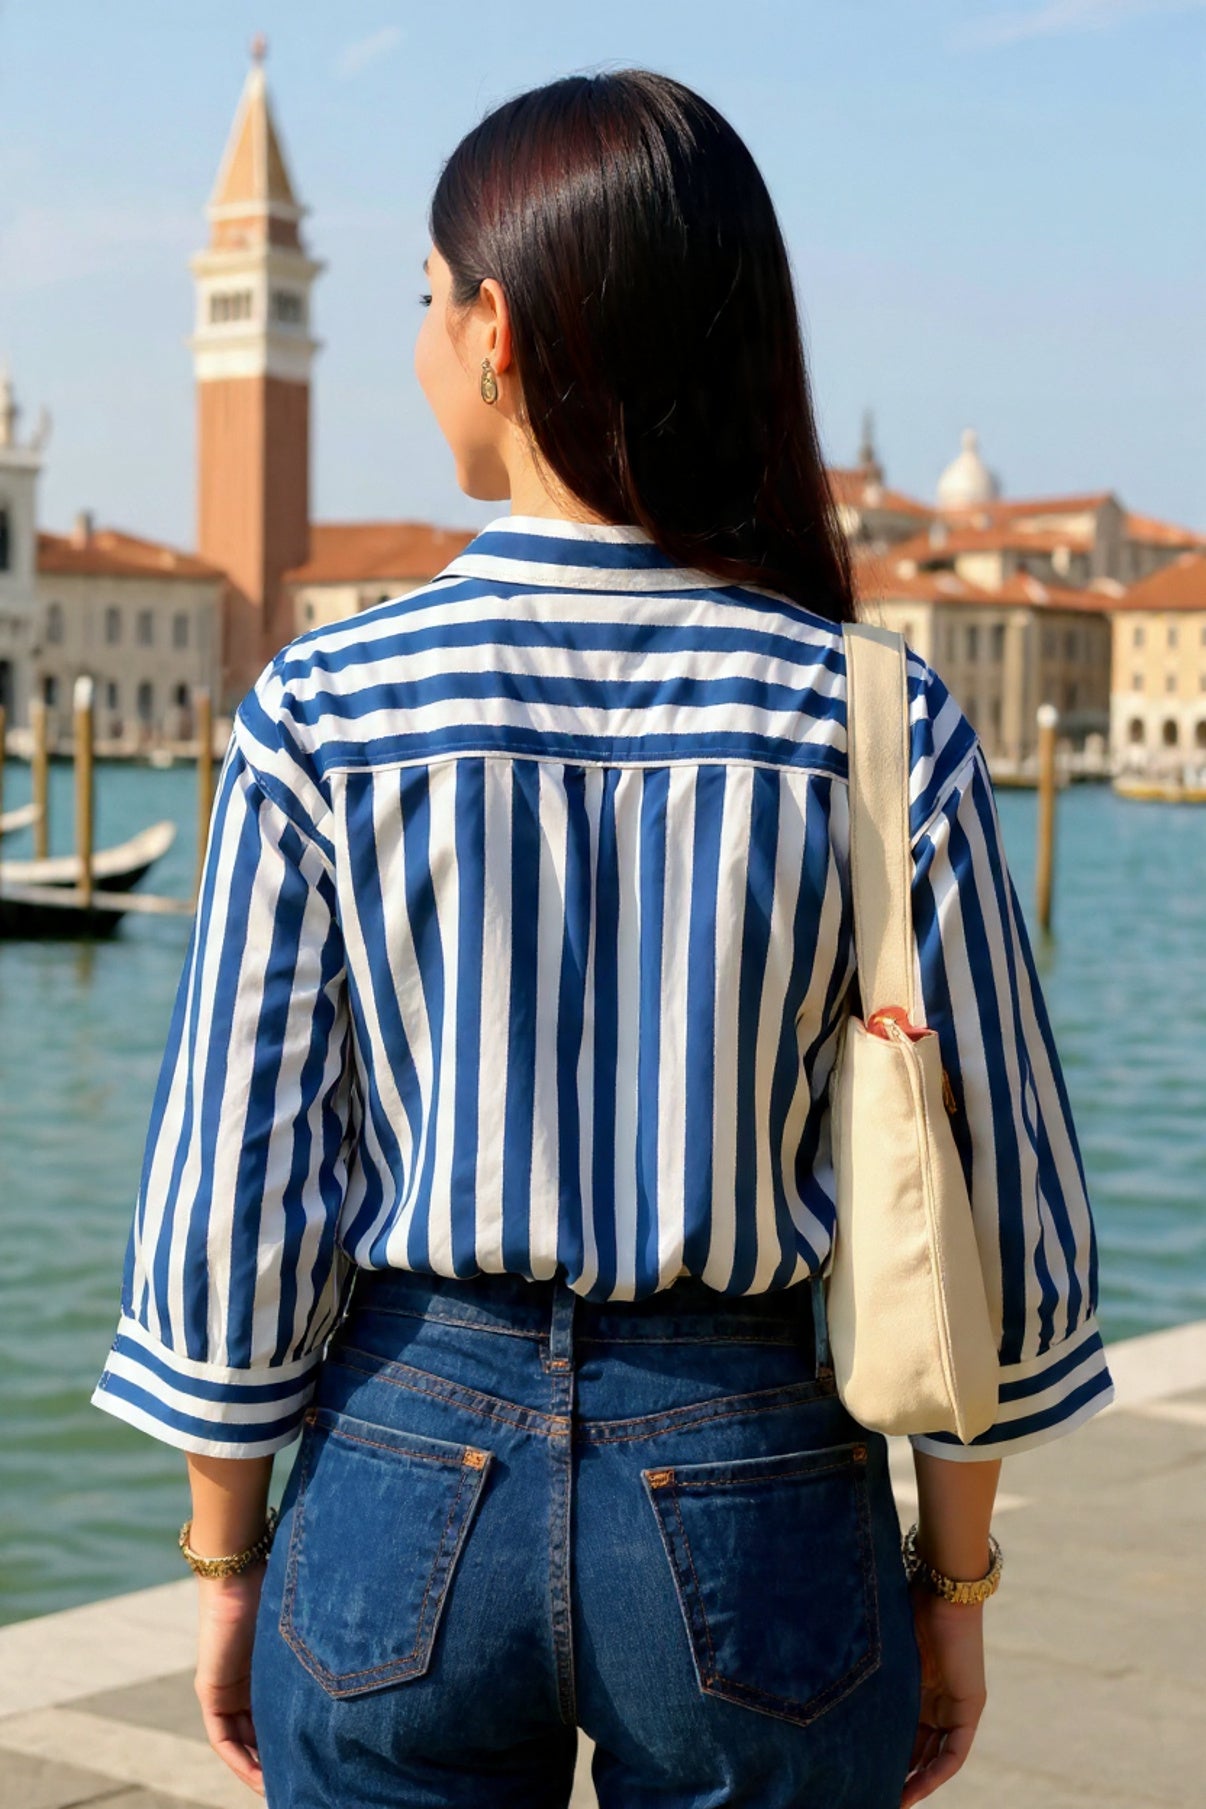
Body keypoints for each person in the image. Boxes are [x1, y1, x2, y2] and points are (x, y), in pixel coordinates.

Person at [90, 67, 1115, 1809]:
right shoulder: (880, 718)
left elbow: (236, 1194)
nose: (416, 339)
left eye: (423, 299)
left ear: (495, 333)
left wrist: (224, 1554)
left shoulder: (322, 708)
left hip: (400, 1477)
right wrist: (954, 1584)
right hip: (759, 1486)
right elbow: (997, 1221)